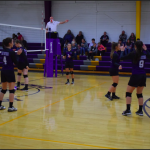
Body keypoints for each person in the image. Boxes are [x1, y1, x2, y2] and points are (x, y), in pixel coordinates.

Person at [120, 41, 150, 116]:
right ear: (142, 46)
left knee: (128, 93)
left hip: (136, 75)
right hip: (143, 75)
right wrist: (146, 50)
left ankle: (128, 110)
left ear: (135, 46)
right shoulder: (145, 53)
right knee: (139, 94)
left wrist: (122, 51)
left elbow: (121, 58)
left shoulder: (133, 53)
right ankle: (140, 111)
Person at [0, 37, 22, 112]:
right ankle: (10, 107)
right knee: (11, 90)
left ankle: (0, 105)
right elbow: (16, 63)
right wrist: (18, 54)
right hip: (9, 71)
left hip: (3, 70)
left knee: (3, 89)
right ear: (9, 43)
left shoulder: (2, 51)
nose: (13, 43)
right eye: (12, 42)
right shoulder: (12, 52)